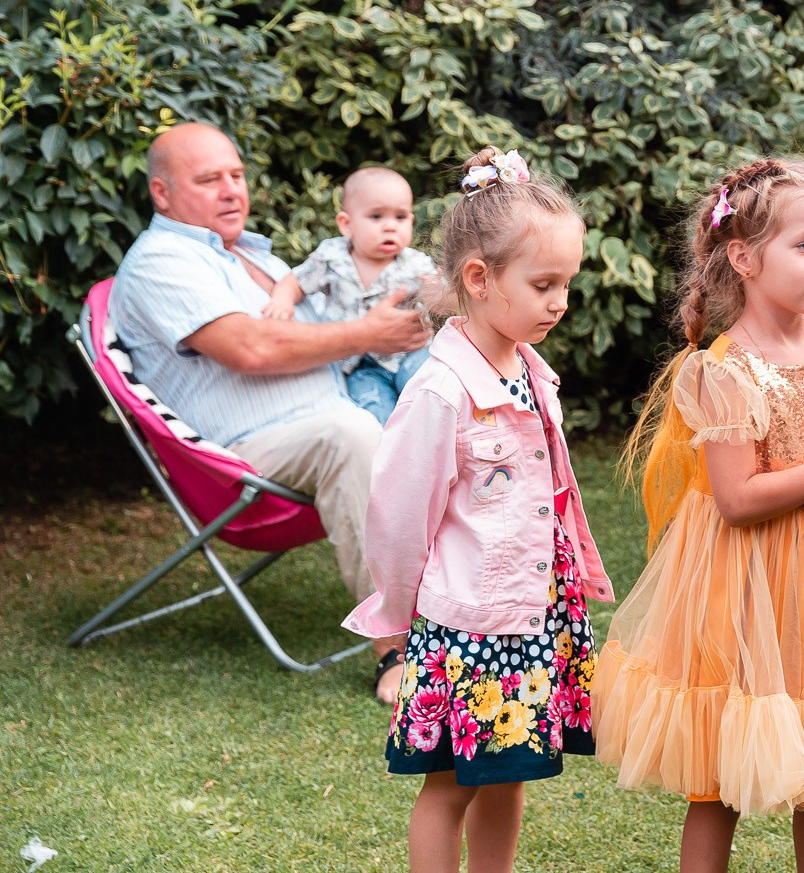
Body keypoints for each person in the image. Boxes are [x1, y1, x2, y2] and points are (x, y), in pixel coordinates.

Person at [593, 159, 804, 873]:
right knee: (720, 770)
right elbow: (738, 500)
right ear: (744, 256)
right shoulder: (724, 371)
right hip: (743, 583)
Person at [342, 146, 614, 873]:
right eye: (544, 283)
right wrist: (407, 615)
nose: (560, 301)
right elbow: (398, 520)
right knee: (448, 785)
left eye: (568, 283)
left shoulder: (530, 369)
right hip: (465, 625)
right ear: (478, 278)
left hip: (531, 611)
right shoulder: (442, 392)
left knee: (512, 767)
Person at [110, 122, 430, 702]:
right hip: (243, 458)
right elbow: (251, 348)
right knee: (351, 434)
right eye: (209, 180)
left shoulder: (254, 253)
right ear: (162, 193)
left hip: (342, 406)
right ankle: (399, 651)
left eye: (236, 175)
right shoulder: (162, 260)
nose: (232, 190)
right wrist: (368, 331)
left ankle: (482, 614)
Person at [264, 165, 438, 424]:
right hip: (358, 366)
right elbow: (296, 281)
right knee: (376, 416)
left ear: (411, 222)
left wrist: (442, 290)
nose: (390, 227)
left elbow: (443, 294)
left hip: (411, 353)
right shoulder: (331, 258)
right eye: (377, 216)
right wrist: (282, 299)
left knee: (433, 392)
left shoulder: (416, 264)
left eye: (400, 217)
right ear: (347, 224)